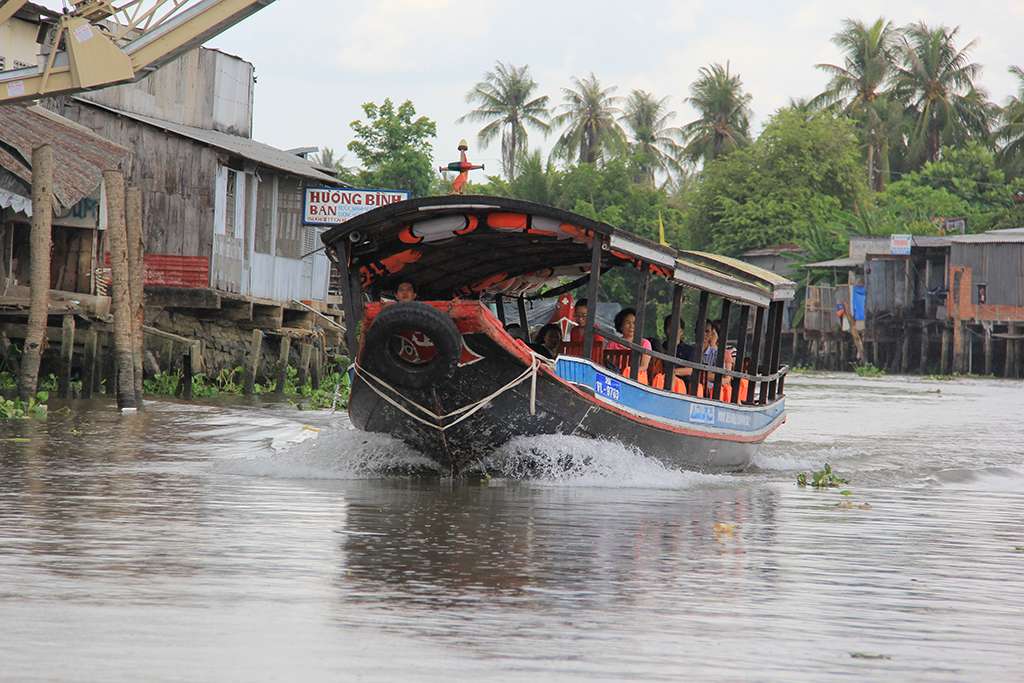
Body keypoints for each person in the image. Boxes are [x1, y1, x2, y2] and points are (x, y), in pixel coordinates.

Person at [606, 307, 651, 380]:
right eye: (627, 323)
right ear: (620, 326)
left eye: (634, 323)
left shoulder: (644, 343)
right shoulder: (612, 344)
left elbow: (644, 366)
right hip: (615, 378)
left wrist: (627, 373)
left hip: (637, 379)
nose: (631, 326)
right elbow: (607, 363)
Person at [661, 314, 695, 380]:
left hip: (681, 387)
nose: (672, 329)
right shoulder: (660, 348)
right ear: (665, 330)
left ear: (681, 331)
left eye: (676, 327)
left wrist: (674, 372)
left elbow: (691, 370)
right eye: (669, 326)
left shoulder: (690, 351)